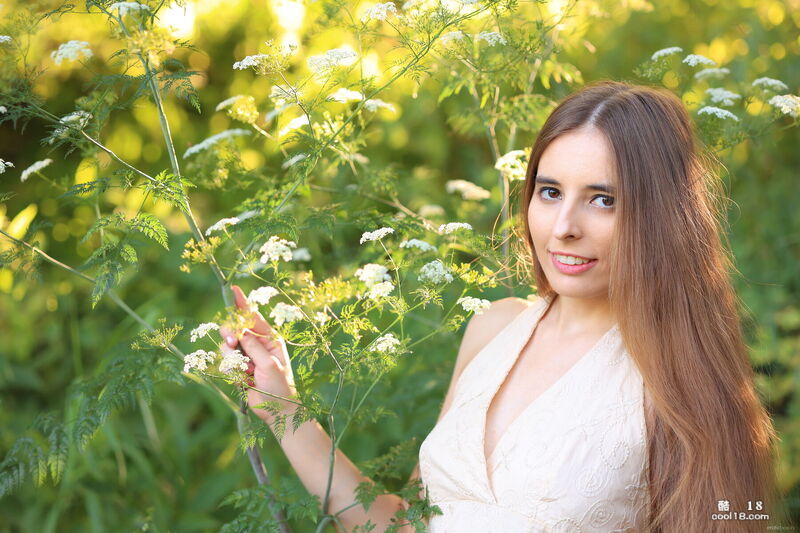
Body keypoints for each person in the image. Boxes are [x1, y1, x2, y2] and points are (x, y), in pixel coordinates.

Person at [219, 79, 779, 532]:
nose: (563, 227)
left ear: (660, 214)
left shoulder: (678, 377)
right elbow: (404, 527)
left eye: (603, 200)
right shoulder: (493, 328)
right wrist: (281, 406)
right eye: (550, 191)